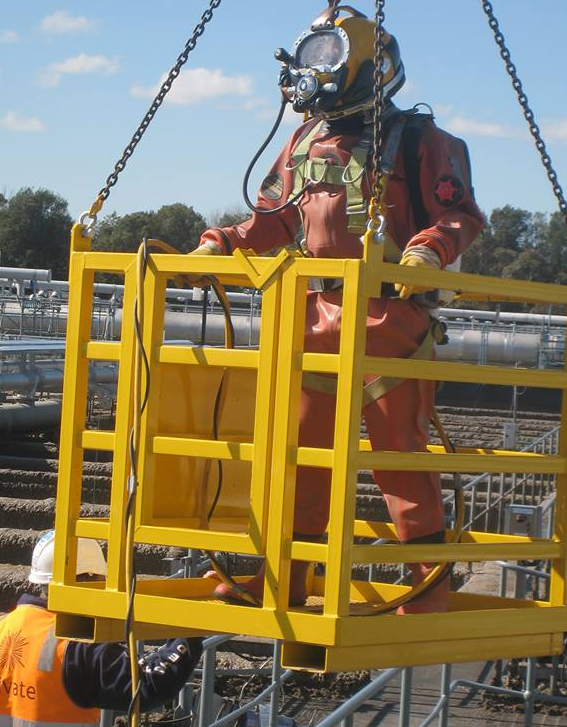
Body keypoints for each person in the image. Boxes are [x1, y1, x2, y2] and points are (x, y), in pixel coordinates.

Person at [191, 5, 484, 613]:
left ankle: (429, 587)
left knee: (397, 454)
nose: (314, 72)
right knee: (298, 455)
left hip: (390, 318)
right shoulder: (303, 143)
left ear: (368, 68)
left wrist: (428, 250)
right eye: (310, 58)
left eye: (327, 58)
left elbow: (459, 215)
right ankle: (288, 583)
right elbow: (271, 222)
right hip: (311, 315)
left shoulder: (419, 141)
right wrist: (222, 242)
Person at [0, 531, 203, 725]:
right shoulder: (78, 646)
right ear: (87, 579)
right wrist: (190, 633)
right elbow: (148, 684)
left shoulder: (4, 624)